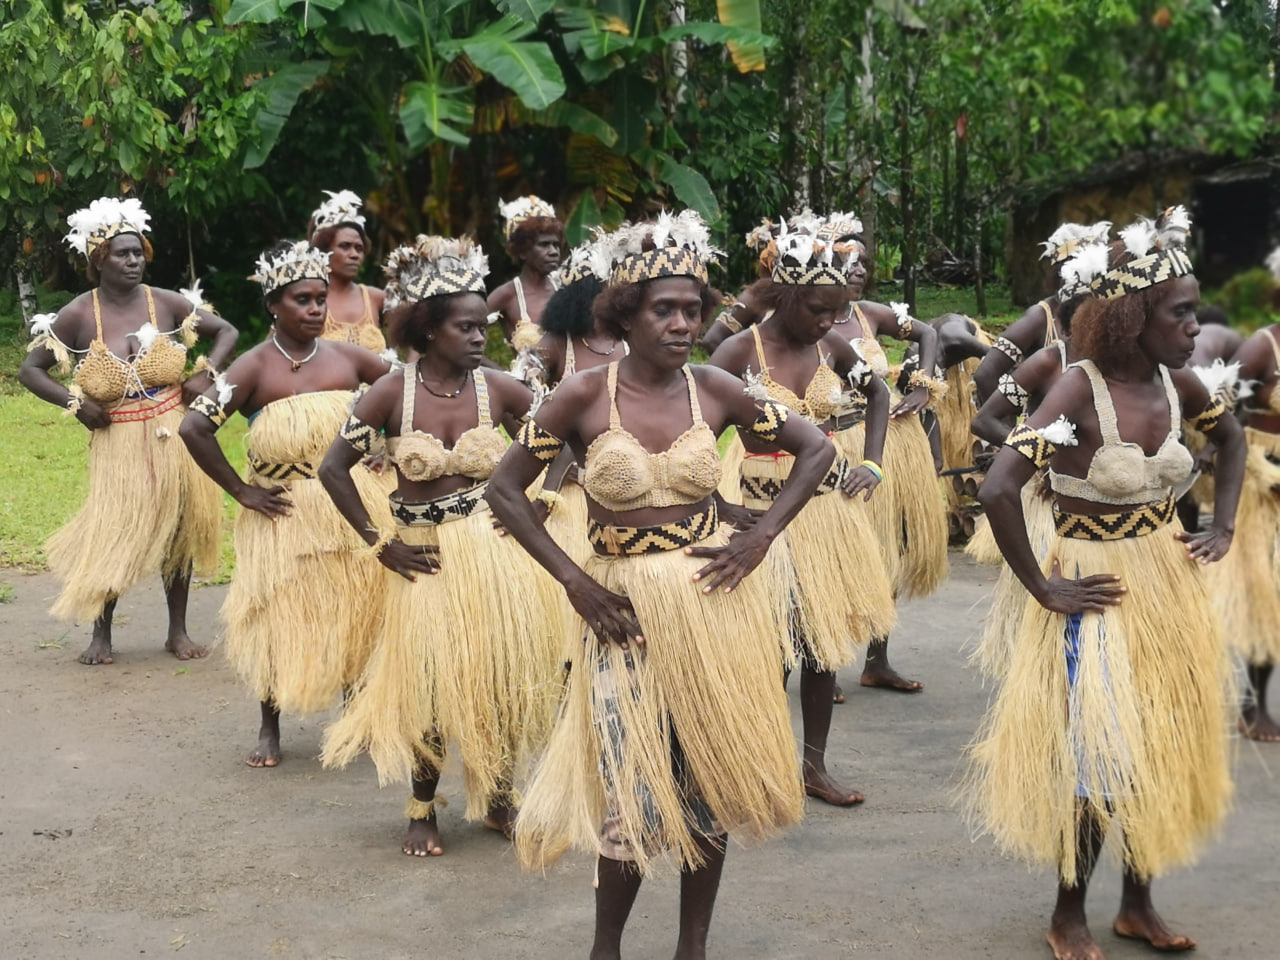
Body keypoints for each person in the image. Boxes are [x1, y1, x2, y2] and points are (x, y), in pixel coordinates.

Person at [486, 212, 829, 960]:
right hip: (625, 614)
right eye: (663, 310)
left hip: (712, 603)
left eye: (692, 310)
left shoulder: (714, 389)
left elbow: (815, 447)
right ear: (626, 314)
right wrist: (575, 581)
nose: (682, 323)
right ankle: (606, 949)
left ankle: (691, 949)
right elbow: (505, 490)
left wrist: (761, 536)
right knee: (633, 786)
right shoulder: (578, 396)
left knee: (710, 771)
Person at [969, 212, 1244, 960]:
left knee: (1158, 744)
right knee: (1097, 758)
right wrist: (1043, 589)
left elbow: (1231, 436)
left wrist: (1222, 525)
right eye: (1180, 312)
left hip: (1165, 580)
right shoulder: (1074, 393)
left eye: (1194, 310)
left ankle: (1138, 905)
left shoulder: (1177, 380)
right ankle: (1067, 914)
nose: (1196, 326)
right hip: (1097, 587)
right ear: (1132, 317)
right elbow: (999, 487)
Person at [319, 235, 563, 857]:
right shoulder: (390, 393)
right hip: (422, 558)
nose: (481, 337)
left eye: (483, 326)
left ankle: (500, 795)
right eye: (465, 327)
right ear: (427, 330)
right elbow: (332, 469)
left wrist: (545, 500)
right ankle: (422, 806)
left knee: (499, 674)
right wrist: (380, 544)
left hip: (494, 555)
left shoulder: (504, 389)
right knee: (430, 683)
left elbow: (562, 441)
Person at [179, 240, 394, 767]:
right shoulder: (252, 367)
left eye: (321, 298)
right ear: (274, 304)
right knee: (280, 611)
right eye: (303, 300)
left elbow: (405, 392)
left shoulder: (347, 357)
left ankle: (355, 716)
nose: (317, 309)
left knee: (357, 605)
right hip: (285, 510)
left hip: (351, 505)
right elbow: (194, 426)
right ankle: (269, 725)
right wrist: (241, 490)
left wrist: (388, 445)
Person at [709, 222, 897, 806]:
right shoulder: (738, 351)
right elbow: (694, 430)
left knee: (819, 648)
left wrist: (874, 462)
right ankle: (759, 764)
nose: (827, 322)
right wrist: (717, 502)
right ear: (784, 297)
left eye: (835, 312)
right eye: (818, 310)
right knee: (765, 651)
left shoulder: (830, 347)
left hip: (823, 514)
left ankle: (813, 768)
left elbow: (880, 395)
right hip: (756, 513)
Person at [20, 196, 236, 665]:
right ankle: (102, 634)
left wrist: (205, 373)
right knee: (115, 529)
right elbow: (31, 370)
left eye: (138, 252)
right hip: (117, 437)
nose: (134, 260)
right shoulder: (79, 313)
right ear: (99, 260)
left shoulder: (165, 301)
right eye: (123, 253)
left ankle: (177, 632)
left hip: (172, 431)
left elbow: (227, 332)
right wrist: (76, 403)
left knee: (178, 527)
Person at [965, 234, 1105, 679]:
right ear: (1066, 326)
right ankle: (1041, 685)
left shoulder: (1124, 368)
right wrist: (1034, 459)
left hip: (1108, 520)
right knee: (1048, 611)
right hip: (1049, 507)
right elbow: (985, 419)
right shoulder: (1048, 361)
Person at [824, 213, 947, 692]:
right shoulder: (800, 324)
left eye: (863, 262)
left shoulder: (869, 314)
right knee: (835, 552)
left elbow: (929, 334)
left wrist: (921, 385)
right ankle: (823, 661)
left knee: (888, 547)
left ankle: (877, 659)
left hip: (885, 440)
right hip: (834, 443)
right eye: (847, 260)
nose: (858, 270)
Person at [1204, 247, 1280, 742]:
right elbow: (1221, 413)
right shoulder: (1262, 348)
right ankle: (1253, 706)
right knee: (1265, 594)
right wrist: (1252, 466)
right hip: (1263, 485)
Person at [971, 221, 1111, 406]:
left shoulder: (1106, 313)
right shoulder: (1040, 317)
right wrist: (1007, 429)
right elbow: (986, 374)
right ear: (1063, 271)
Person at [307, 190, 388, 354]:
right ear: (323, 252)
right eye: (345, 246)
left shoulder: (376, 298)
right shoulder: (306, 300)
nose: (354, 255)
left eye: (359, 248)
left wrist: (408, 373)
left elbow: (425, 330)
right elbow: (275, 351)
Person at [486, 195, 564, 352]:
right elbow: (462, 339)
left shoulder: (565, 289)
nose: (553, 252)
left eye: (556, 245)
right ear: (522, 252)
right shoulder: (507, 294)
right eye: (544, 245)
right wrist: (502, 375)